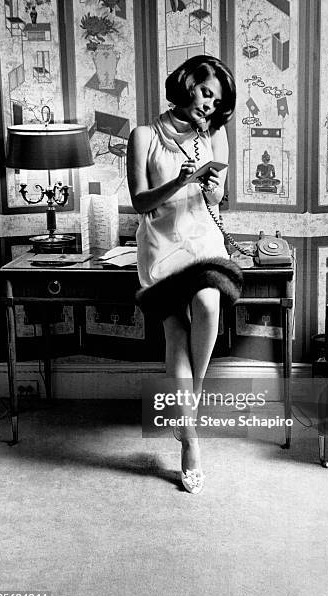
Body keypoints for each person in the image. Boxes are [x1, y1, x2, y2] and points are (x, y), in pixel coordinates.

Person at [127, 55, 241, 494]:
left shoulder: (215, 135)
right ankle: (190, 438)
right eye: (206, 92)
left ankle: (185, 410)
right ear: (187, 84)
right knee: (175, 332)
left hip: (204, 242)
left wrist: (213, 188)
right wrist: (181, 180)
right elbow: (140, 202)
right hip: (160, 248)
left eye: (219, 100)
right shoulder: (142, 136)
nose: (211, 105)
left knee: (209, 301)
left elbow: (220, 197)